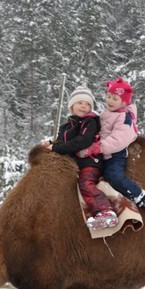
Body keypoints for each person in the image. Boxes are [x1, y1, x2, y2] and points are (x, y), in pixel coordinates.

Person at [81, 78, 145, 226]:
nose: (110, 100)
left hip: (115, 155)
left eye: (115, 98)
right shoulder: (107, 113)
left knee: (113, 176)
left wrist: (97, 147)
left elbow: (119, 139)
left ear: (124, 102)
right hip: (103, 154)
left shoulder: (124, 117)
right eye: (108, 96)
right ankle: (99, 207)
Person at [43, 86, 118, 230]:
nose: (84, 106)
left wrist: (56, 148)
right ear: (72, 105)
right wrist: (51, 144)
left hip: (90, 161)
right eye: (80, 102)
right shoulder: (66, 126)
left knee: (85, 183)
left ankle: (105, 211)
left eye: (87, 104)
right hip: (74, 165)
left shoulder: (90, 122)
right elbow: (63, 143)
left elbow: (83, 141)